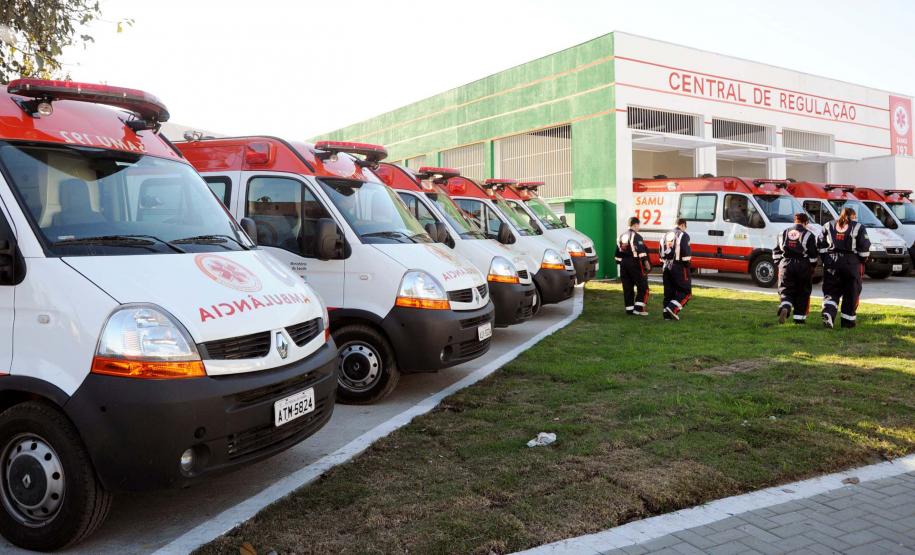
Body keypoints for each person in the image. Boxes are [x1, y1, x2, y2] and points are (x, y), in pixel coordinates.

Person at [818, 207, 870, 328]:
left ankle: (828, 312)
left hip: (831, 262)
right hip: (850, 263)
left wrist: (826, 258)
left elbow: (820, 243)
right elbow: (864, 248)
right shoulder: (858, 227)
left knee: (831, 291)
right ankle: (847, 323)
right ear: (852, 216)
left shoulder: (828, 225)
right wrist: (861, 260)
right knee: (851, 292)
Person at [773, 213, 818, 324]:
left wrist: (779, 263)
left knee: (785, 290)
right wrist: (812, 267)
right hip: (803, 265)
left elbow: (776, 251)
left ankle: (785, 307)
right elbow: (813, 256)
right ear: (806, 223)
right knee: (802, 292)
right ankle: (799, 320)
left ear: (795, 221)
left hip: (785, 264)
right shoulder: (809, 234)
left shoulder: (783, 233)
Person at [614, 216, 651, 316]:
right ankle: (638, 309)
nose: (639, 227)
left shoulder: (621, 236)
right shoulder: (637, 236)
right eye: (638, 225)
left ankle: (629, 309)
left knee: (627, 287)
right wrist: (646, 264)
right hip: (634, 264)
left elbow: (617, 254)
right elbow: (641, 252)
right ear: (635, 225)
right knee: (643, 286)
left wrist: (620, 263)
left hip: (623, 265)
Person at [660, 218, 692, 320]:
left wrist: (664, 262)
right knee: (686, 291)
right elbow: (686, 253)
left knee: (669, 291)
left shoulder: (665, 235)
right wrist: (687, 265)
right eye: (685, 227)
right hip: (678, 266)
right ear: (683, 225)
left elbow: (660, 251)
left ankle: (666, 315)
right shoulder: (683, 235)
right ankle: (673, 308)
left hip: (666, 265)